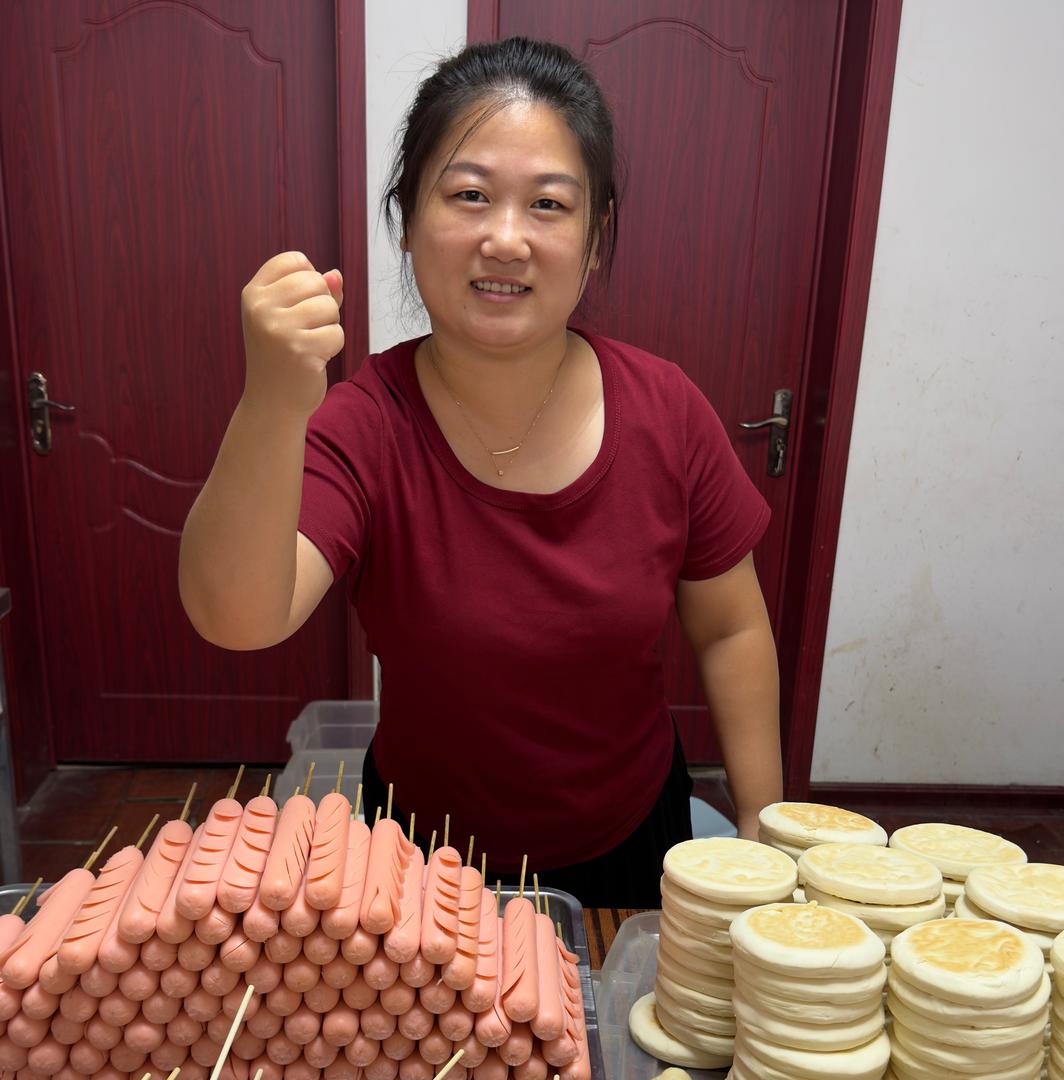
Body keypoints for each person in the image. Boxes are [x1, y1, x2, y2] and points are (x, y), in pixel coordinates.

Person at [179, 36, 782, 906]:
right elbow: (238, 617)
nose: (506, 239)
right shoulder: (367, 421)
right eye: (468, 196)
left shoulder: (668, 411)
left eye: (548, 204)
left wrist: (766, 824)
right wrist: (273, 399)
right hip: (422, 861)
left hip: (633, 842)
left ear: (596, 237)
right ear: (408, 221)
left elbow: (731, 629)